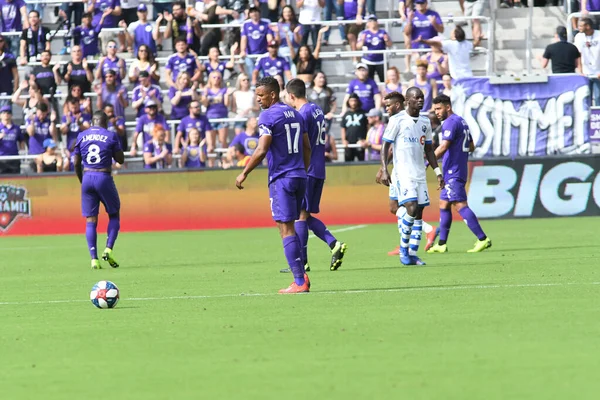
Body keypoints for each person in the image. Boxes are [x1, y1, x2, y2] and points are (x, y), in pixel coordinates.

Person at [234, 76, 312, 294]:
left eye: (261, 95)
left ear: (273, 94)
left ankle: (299, 281)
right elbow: (307, 147)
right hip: (299, 176)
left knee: (285, 227)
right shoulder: (296, 114)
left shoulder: (268, 116)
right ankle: (300, 275)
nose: (258, 99)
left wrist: (244, 173)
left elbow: (262, 149)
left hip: (282, 178)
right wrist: (302, 169)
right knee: (288, 225)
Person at [284, 78, 347, 273]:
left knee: (300, 217)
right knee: (304, 214)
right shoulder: (317, 109)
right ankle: (333, 244)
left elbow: (302, 143)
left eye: (286, 96)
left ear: (292, 95)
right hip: (319, 168)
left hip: (308, 168)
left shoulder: (302, 113)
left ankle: (302, 262)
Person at [378, 87, 444, 266]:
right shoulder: (397, 120)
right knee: (412, 208)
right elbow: (386, 146)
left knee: (419, 212)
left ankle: (413, 254)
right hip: (403, 173)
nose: (420, 100)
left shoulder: (425, 121)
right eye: (416, 98)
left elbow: (429, 149)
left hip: (419, 174)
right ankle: (404, 250)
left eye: (422, 97)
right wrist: (384, 169)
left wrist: (437, 172)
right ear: (407, 101)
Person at [428, 94, 491, 253]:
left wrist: (428, 161)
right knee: (444, 204)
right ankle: (441, 244)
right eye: (435, 109)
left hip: (453, 170)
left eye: (439, 108)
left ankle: (483, 239)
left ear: (448, 107)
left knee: (460, 205)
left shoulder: (449, 123)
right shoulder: (461, 121)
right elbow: (471, 146)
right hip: (457, 168)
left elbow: (443, 147)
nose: (436, 112)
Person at [73, 110, 125, 270]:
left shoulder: (82, 135)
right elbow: (120, 160)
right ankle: (108, 248)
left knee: (90, 219)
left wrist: (82, 180)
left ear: (92, 121)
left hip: (87, 176)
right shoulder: (110, 135)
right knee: (114, 214)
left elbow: (75, 162)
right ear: (105, 122)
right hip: (103, 176)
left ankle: (94, 259)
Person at [404, 0, 443, 73]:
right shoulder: (412, 15)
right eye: (418, 3)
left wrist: (434, 24)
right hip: (416, 49)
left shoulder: (433, 14)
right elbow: (407, 32)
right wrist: (409, 21)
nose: (420, 5)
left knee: (431, 72)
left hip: (431, 49)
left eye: (422, 3)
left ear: (426, 3)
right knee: (418, 73)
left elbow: (441, 30)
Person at [202, 71, 232, 164]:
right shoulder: (207, 90)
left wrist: (227, 95)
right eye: (214, 77)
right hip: (210, 118)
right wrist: (205, 96)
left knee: (223, 142)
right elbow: (204, 104)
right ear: (210, 79)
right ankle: (212, 164)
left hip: (222, 117)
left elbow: (227, 104)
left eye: (218, 77)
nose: (216, 79)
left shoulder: (223, 90)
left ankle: (224, 163)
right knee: (211, 144)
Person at [357, 15, 392, 82]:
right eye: (370, 21)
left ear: (377, 22)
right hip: (368, 60)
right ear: (367, 23)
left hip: (381, 60)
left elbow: (389, 44)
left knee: (384, 81)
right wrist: (362, 40)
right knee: (369, 81)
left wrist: (386, 40)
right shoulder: (364, 33)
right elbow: (358, 46)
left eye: (374, 20)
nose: (372, 22)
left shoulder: (383, 32)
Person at [240, 7, 274, 76]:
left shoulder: (266, 22)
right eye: (252, 12)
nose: (254, 13)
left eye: (256, 11)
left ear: (259, 13)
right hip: (250, 54)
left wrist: (270, 49)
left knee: (263, 75)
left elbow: (269, 37)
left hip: (263, 54)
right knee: (252, 73)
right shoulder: (246, 24)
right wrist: (243, 50)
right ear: (249, 14)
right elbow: (244, 38)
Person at [574, 18, 600, 104]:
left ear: (588, 26)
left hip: (597, 72)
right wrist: (580, 71)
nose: (579, 27)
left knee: (598, 97)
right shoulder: (578, 37)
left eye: (581, 26)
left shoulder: (598, 35)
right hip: (586, 72)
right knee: (586, 96)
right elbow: (578, 55)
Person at [340, 93, 367, 161]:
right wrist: (344, 140)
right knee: (348, 165)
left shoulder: (363, 113)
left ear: (358, 101)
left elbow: (368, 127)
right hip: (349, 143)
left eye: (355, 100)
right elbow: (343, 128)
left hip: (361, 143)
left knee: (362, 164)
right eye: (351, 101)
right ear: (348, 102)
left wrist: (366, 140)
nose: (353, 103)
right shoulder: (346, 114)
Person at [0, 105, 26, 174]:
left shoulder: (16, 128)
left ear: (11, 115)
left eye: (8, 113)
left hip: (14, 158)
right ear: (0, 115)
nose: (6, 114)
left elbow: (21, 140)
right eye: (4, 113)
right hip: (1, 158)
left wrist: (22, 152)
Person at [343, 0, 366, 64]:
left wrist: (359, 15)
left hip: (355, 19)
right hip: (347, 19)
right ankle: (357, 58)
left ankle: (355, 57)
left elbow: (361, 2)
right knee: (351, 38)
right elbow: (340, 3)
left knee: (351, 35)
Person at [0, 37, 19, 105]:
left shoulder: (10, 57)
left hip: (6, 89)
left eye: (1, 41)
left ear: (4, 42)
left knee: (5, 113)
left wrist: (15, 90)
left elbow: (16, 75)